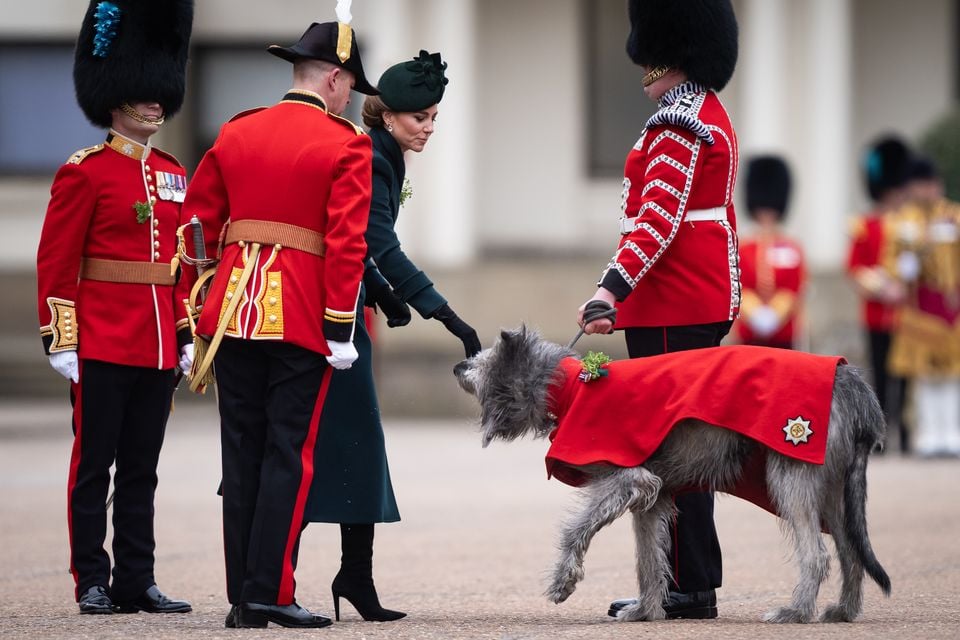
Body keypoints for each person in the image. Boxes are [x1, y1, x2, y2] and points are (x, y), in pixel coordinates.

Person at [174, 19, 378, 629]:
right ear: (334, 79)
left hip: (232, 311)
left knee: (240, 454)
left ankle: (245, 594)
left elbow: (195, 230)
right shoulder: (347, 143)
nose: (351, 99)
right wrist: (341, 328)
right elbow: (346, 243)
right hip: (300, 317)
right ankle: (270, 591)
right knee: (289, 455)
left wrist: (193, 314)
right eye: (351, 88)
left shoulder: (237, 131)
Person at [302, 49, 481, 622]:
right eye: (419, 119)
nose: (428, 129)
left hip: (348, 301)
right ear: (388, 115)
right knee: (327, 442)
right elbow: (376, 240)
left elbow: (364, 241)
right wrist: (444, 314)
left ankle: (353, 573)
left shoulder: (385, 153)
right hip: (326, 315)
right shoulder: (373, 154)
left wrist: (381, 291)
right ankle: (278, 579)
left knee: (353, 441)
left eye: (433, 118)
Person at [579, 0, 739, 620]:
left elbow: (657, 220)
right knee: (678, 446)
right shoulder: (697, 111)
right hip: (679, 296)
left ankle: (684, 586)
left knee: (672, 448)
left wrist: (610, 291)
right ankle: (685, 582)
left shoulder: (678, 122)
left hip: (674, 299)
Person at [35, 0, 194, 616]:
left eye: (161, 93)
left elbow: (183, 264)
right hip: (100, 339)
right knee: (92, 468)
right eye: (145, 94)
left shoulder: (174, 174)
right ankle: (91, 579)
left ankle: (136, 577)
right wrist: (62, 337)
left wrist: (184, 331)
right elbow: (57, 262)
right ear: (117, 97)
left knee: (141, 472)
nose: (156, 102)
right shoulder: (85, 173)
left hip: (156, 345)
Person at [886, 157, 960, 457]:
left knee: (953, 374)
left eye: (931, 184)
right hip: (919, 305)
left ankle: (951, 432)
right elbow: (893, 262)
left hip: (951, 304)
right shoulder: (903, 221)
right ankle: (928, 433)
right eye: (921, 185)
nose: (927, 190)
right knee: (924, 375)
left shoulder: (954, 215)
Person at [846, 136, 912, 453]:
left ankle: (909, 435)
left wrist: (903, 288)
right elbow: (855, 266)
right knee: (881, 376)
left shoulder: (911, 224)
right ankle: (884, 438)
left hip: (908, 313)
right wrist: (882, 288)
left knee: (908, 377)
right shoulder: (865, 224)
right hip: (876, 312)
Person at [735, 156, 806, 349]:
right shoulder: (742, 247)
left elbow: (794, 287)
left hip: (783, 335)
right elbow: (738, 287)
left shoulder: (792, 247)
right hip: (749, 334)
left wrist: (776, 314)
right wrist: (754, 313)